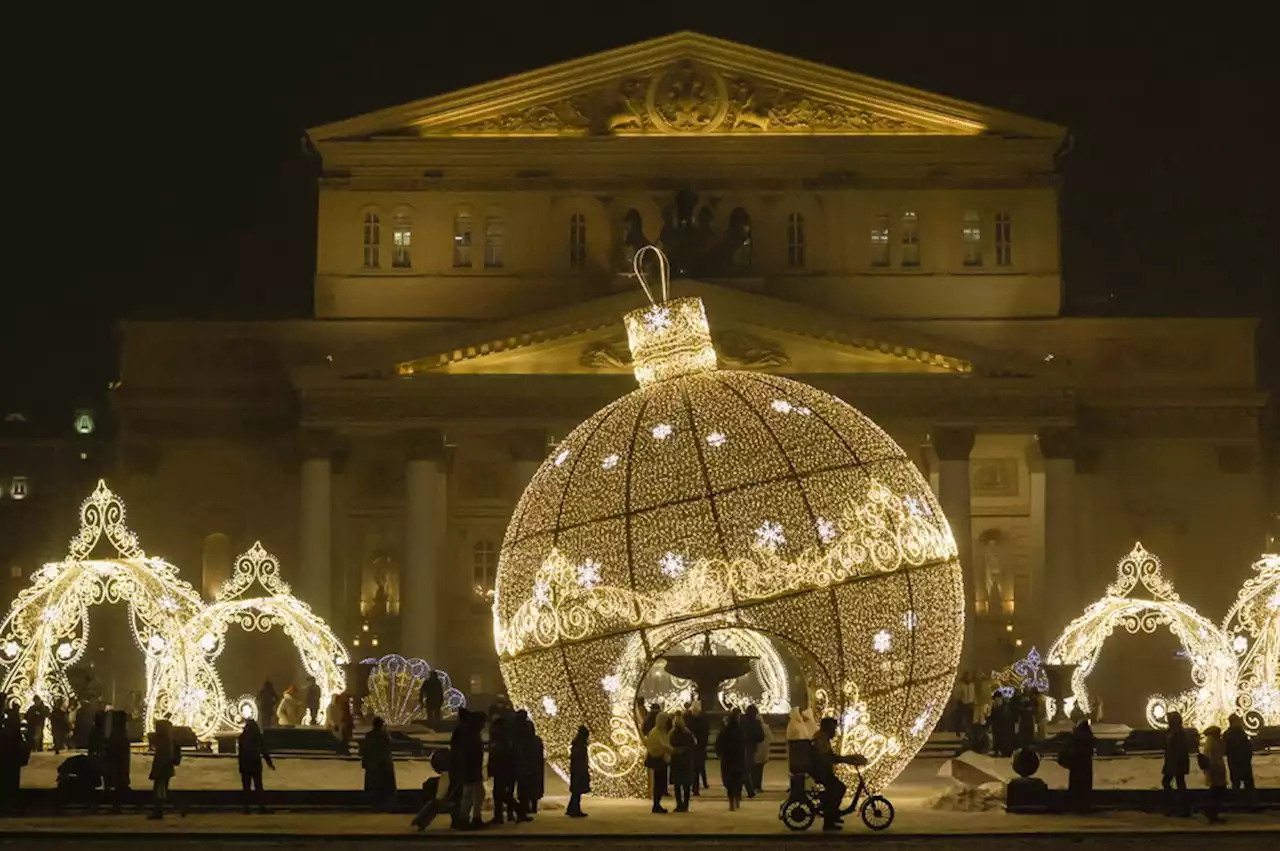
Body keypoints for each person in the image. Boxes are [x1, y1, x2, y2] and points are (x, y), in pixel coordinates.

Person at [811, 715, 857, 832]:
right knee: (838, 789)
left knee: (837, 788)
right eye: (834, 728)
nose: (835, 731)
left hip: (822, 771)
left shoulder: (822, 736)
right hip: (821, 772)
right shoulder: (822, 739)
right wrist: (844, 759)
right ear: (828, 729)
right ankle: (829, 820)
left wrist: (843, 759)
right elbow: (827, 756)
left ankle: (832, 814)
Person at [486, 715, 524, 824]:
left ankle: (515, 811)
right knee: (502, 794)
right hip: (506, 770)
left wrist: (491, 769)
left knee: (500, 794)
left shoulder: (501, 742)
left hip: (502, 770)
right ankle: (507, 814)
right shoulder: (508, 739)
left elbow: (496, 756)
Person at [454, 710, 486, 830]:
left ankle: (471, 818)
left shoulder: (468, 732)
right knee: (471, 794)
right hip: (470, 769)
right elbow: (470, 753)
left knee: (477, 793)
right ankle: (466, 819)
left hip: (470, 768)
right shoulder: (470, 733)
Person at [412, 747, 457, 832]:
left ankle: (419, 821)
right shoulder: (447, 774)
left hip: (444, 789)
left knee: (435, 803)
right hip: (446, 794)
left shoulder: (445, 775)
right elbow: (443, 787)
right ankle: (420, 821)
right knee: (437, 804)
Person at [237, 718, 275, 814]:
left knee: (246, 787)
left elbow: (240, 754)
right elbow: (264, 751)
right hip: (255, 764)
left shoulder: (242, 737)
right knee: (258, 787)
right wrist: (269, 763)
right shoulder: (257, 736)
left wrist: (240, 766)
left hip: (245, 765)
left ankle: (246, 808)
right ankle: (261, 807)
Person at [360, 716, 397, 811]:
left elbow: (364, 750)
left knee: (374, 785)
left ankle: (375, 802)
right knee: (384, 785)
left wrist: (365, 761)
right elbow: (389, 747)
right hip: (383, 764)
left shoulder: (369, 736)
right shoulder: (384, 736)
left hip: (374, 765)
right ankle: (384, 803)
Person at [147, 718, 181, 819]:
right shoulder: (168, 739)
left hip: (162, 769)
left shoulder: (164, 741)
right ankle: (176, 807)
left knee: (159, 792)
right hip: (165, 769)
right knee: (162, 791)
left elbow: (163, 755)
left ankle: (159, 811)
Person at [1, 705, 31, 815]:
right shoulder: (12, 725)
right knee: (11, 780)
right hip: (11, 756)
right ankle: (10, 804)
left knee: (8, 780)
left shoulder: (7, 722)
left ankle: (7, 804)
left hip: (8, 756)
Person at [1161, 711, 1192, 817]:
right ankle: (1181, 807)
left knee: (1171, 783)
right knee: (1179, 784)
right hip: (1176, 763)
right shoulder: (1178, 733)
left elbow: (1176, 751)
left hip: (1175, 763)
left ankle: (1178, 806)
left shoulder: (1176, 734)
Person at [715, 708, 747, 811]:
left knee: (729, 781)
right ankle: (736, 799)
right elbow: (743, 744)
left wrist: (720, 753)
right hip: (737, 759)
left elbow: (719, 743)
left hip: (727, 759)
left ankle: (731, 802)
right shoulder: (740, 730)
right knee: (737, 781)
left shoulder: (725, 730)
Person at [515, 710, 544, 816]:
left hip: (525, 766)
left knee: (525, 787)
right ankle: (532, 807)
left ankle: (526, 806)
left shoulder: (520, 738)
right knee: (532, 787)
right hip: (532, 766)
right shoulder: (535, 740)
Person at [644, 712, 673, 814]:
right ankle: (656, 805)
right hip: (657, 760)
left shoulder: (660, 732)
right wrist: (673, 750)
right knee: (658, 783)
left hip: (661, 759)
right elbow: (663, 745)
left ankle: (657, 804)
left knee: (660, 783)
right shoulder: (656, 732)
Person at [1224, 713, 1254, 807]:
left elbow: (1225, 749)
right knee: (1247, 784)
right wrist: (1248, 757)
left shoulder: (1227, 734)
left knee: (1236, 783)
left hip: (1234, 762)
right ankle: (1249, 804)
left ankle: (1237, 804)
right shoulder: (1240, 733)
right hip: (1243, 762)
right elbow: (1247, 747)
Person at [105, 710, 132, 813]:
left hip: (117, 764)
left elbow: (114, 749)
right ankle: (117, 805)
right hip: (121, 764)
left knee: (117, 784)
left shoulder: (117, 733)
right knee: (119, 784)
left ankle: (117, 806)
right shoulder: (122, 733)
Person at [668, 713, 696, 812]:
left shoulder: (672, 733)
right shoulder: (688, 733)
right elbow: (693, 746)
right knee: (686, 785)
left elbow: (669, 745)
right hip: (686, 761)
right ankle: (685, 804)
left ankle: (679, 804)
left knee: (678, 784)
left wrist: (675, 751)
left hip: (676, 761)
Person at [1200, 725, 1228, 824]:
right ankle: (1211, 812)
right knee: (1216, 792)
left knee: (1216, 791)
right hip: (1216, 771)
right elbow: (1215, 759)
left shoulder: (1211, 743)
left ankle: (1211, 812)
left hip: (1215, 771)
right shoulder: (1213, 744)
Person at [1067, 718, 1095, 813]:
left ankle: (1076, 805)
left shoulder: (1078, 737)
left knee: (1077, 786)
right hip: (1084, 766)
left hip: (1078, 766)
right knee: (1084, 787)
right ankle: (1083, 805)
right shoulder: (1087, 736)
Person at [567, 725, 590, 818]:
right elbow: (579, 759)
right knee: (577, 791)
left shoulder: (578, 745)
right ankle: (575, 809)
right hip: (579, 771)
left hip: (577, 770)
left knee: (576, 791)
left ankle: (572, 808)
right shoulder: (580, 746)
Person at [687, 701, 711, 795]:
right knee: (699, 768)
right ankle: (699, 786)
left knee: (695, 769)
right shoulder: (704, 720)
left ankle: (695, 787)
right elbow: (705, 734)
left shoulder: (689, 720)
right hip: (699, 748)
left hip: (694, 748)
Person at [741, 705, 764, 797]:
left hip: (741, 747)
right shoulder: (755, 723)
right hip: (750, 748)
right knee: (747, 770)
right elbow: (760, 737)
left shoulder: (741, 721)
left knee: (743, 769)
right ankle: (750, 790)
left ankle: (743, 790)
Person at [751, 707, 773, 793]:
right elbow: (771, 738)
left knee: (754, 769)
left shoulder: (751, 727)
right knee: (759, 770)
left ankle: (754, 785)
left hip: (755, 751)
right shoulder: (765, 727)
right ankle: (758, 786)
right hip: (763, 751)